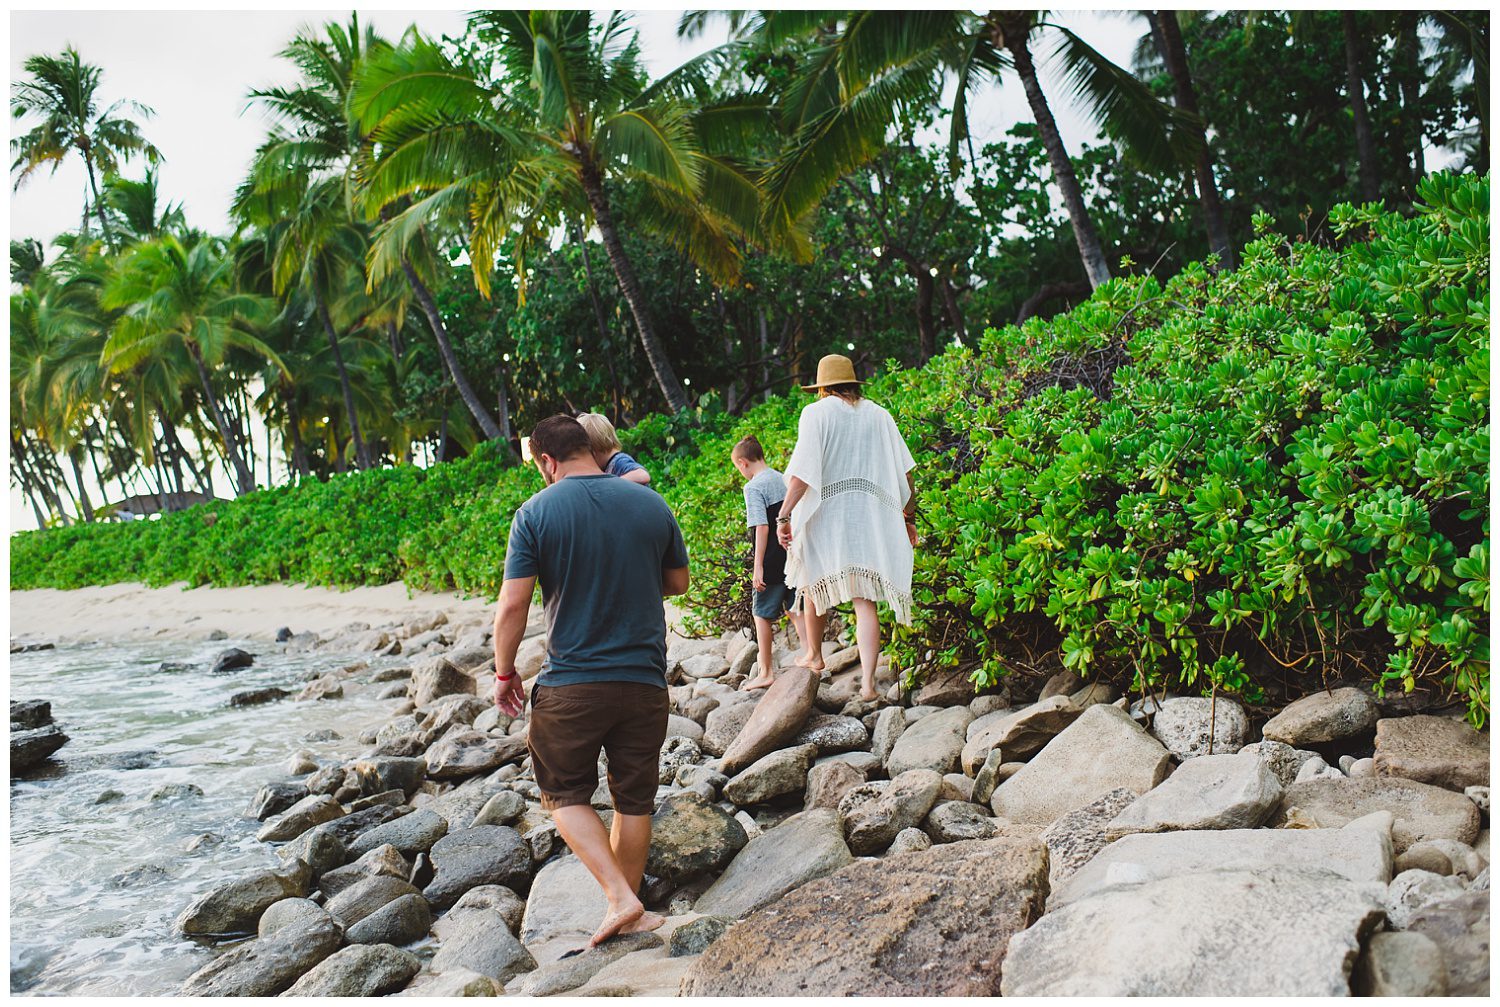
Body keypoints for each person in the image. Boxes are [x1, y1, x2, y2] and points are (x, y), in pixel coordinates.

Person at [492, 414, 690, 947]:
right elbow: (677, 581)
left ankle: (620, 899)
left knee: (563, 792)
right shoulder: (651, 503)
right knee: (634, 800)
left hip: (573, 683)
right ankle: (629, 909)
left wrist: (504, 670)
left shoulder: (535, 512)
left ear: (546, 461)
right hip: (645, 681)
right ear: (589, 447)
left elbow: (514, 603)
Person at [776, 354, 917, 703]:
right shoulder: (879, 415)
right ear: (853, 383)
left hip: (826, 515)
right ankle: (869, 685)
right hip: (868, 519)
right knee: (864, 600)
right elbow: (906, 475)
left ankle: (815, 655)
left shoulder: (816, 413)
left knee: (813, 584)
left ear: (823, 388)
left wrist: (784, 515)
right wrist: (909, 518)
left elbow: (804, 474)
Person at [731, 435, 814, 689]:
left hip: (770, 557)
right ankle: (810, 654)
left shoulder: (754, 487)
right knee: (793, 608)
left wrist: (758, 567)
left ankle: (766, 671)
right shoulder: (781, 477)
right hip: (790, 551)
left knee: (761, 614)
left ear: (743, 463)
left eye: (738, 468)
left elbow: (761, 527)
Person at [577, 412, 651, 485]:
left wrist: (612, 483)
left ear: (595, 451)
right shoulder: (607, 466)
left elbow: (643, 475)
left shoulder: (619, 460)